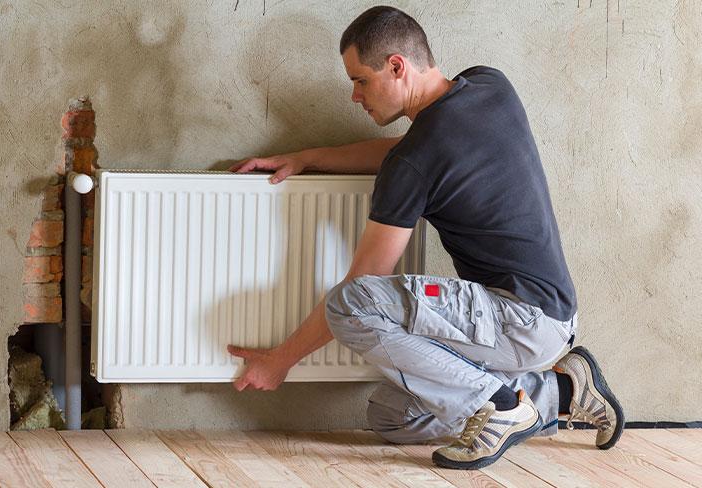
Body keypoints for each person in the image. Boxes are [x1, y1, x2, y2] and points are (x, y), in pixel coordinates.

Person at [227, 5, 624, 469]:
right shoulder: (489, 85)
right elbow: (414, 151)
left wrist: (280, 359)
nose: (355, 96)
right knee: (394, 416)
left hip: (517, 320)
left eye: (360, 80)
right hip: (551, 318)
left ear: (397, 66)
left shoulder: (414, 163)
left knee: (350, 303)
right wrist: (308, 157)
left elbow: (362, 285)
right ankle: (564, 389)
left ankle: (500, 406)